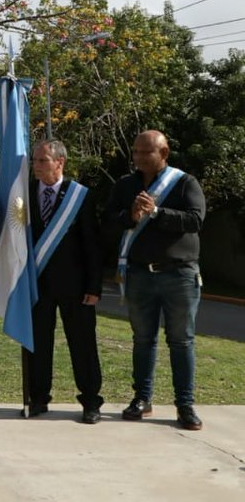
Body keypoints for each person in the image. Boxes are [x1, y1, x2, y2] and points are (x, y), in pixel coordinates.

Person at [105, 130, 206, 430]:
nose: (138, 157)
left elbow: (195, 220)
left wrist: (158, 212)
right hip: (139, 274)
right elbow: (110, 219)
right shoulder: (126, 185)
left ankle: (185, 405)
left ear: (164, 153)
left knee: (181, 341)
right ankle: (142, 399)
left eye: (145, 152)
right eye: (135, 152)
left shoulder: (185, 182)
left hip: (179, 274)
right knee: (142, 339)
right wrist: (131, 217)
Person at [26, 139, 103, 424]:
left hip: (76, 287)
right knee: (37, 344)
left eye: (42, 160)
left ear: (60, 162)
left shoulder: (79, 195)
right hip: (37, 285)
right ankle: (38, 398)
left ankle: (91, 401)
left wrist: (94, 286)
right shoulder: (25, 194)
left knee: (82, 345)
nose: (36, 165)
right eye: (34, 160)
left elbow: (92, 245)